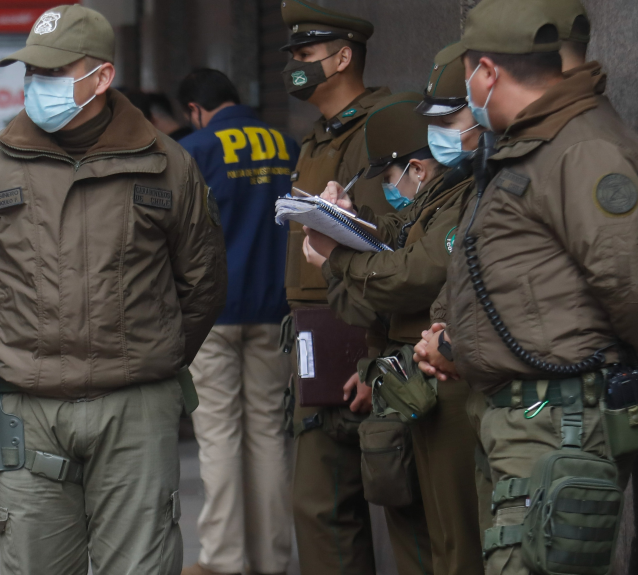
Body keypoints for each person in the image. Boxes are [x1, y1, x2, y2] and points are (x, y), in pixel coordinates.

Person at [0, 5, 227, 574]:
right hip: (27, 408)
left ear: (102, 77)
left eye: (53, 73)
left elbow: (204, 281)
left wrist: (150, 353)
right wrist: (18, 344)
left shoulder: (168, 166)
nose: (37, 86)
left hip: (136, 409)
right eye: (31, 73)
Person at [412, 1, 638, 573]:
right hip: (521, 422)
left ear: (486, 72)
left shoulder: (581, 147)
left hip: (557, 426)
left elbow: (634, 283)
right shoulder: (529, 140)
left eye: (465, 74)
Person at [304, 88, 484, 575]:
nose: (391, 187)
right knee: (418, 527)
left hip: (444, 375)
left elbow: (414, 275)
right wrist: (345, 221)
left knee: (453, 536)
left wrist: (337, 257)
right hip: (407, 373)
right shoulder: (435, 198)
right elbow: (393, 243)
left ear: (416, 169)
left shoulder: (467, 193)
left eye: (390, 177)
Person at [277, 2, 429, 575]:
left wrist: (378, 354)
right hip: (317, 337)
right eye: (291, 53)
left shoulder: (387, 123)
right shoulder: (317, 137)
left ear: (343, 58)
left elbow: (404, 238)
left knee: (403, 498)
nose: (294, 65)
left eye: (306, 54)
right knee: (320, 509)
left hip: (372, 332)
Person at [174, 68, 299, 575]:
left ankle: (224, 560)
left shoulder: (196, 150)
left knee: (219, 436)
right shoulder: (287, 145)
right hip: (276, 310)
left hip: (213, 315)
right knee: (270, 433)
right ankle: (272, 559)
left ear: (194, 110)